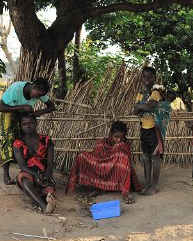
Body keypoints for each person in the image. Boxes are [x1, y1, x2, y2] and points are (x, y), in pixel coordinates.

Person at [0, 78, 56, 185]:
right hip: (8, 113)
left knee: (22, 141)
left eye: (40, 97)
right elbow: (0, 107)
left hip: (22, 115)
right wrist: (22, 107)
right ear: (35, 87)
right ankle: (6, 175)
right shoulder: (16, 88)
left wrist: (40, 112)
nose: (38, 98)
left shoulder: (40, 92)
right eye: (37, 95)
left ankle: (28, 170)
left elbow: (52, 106)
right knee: (9, 140)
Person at [66, 121, 141, 204]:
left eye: (122, 138)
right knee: (82, 156)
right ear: (110, 135)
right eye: (116, 137)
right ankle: (100, 186)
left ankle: (122, 193)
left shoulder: (124, 146)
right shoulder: (101, 144)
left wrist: (118, 148)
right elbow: (96, 161)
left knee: (123, 158)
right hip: (100, 170)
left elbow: (127, 163)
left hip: (115, 174)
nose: (119, 140)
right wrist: (104, 166)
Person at [13, 114, 56, 215]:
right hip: (28, 172)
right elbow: (22, 165)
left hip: (44, 174)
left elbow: (50, 164)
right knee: (24, 180)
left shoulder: (46, 140)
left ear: (36, 123)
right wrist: (35, 175)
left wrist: (47, 177)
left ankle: (45, 200)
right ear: (21, 126)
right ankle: (44, 206)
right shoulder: (18, 143)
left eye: (31, 123)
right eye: (24, 124)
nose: (28, 126)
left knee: (48, 189)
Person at [133, 67, 164, 195]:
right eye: (145, 76)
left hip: (154, 130)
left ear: (154, 78)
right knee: (146, 157)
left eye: (150, 76)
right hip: (144, 129)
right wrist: (140, 107)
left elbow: (150, 106)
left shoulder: (156, 92)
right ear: (141, 78)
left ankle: (154, 186)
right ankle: (147, 184)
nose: (147, 79)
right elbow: (134, 111)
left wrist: (140, 106)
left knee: (155, 157)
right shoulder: (140, 93)